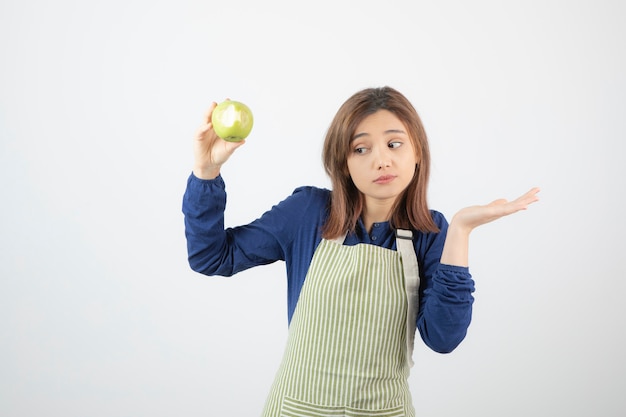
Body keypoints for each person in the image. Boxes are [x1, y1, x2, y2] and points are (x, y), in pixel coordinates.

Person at [182, 86, 540, 417]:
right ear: (344, 164)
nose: (381, 160)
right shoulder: (308, 213)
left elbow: (444, 338)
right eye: (361, 149)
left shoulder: (429, 233)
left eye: (394, 144)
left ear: (417, 153)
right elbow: (212, 257)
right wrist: (207, 170)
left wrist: (461, 230)